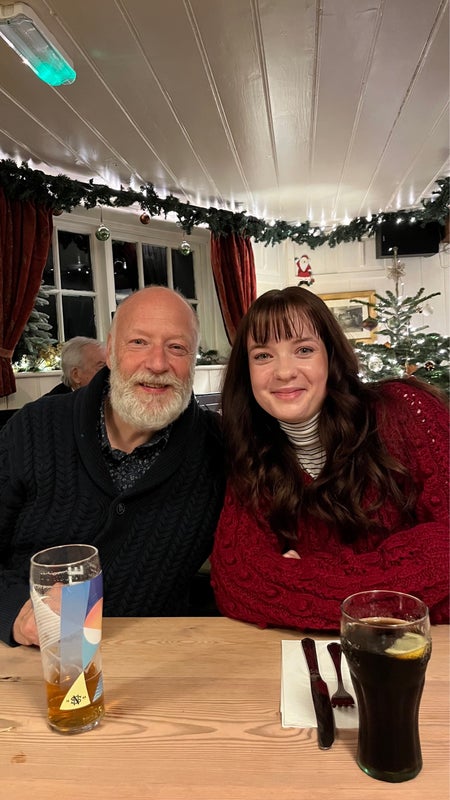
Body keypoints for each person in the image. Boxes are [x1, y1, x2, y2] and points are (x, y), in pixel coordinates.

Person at [210, 286, 449, 630]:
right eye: (263, 356)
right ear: (246, 372)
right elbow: (237, 583)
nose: (284, 372)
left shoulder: (405, 411)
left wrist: (300, 576)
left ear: (331, 357)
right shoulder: (252, 452)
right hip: (317, 655)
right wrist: (414, 597)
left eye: (304, 350)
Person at [0, 286, 225, 647]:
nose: (157, 364)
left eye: (177, 347)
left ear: (193, 360)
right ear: (109, 351)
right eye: (138, 342)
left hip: (155, 661)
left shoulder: (219, 448)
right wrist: (15, 611)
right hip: (30, 658)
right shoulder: (34, 428)